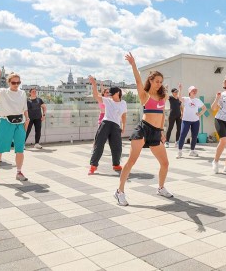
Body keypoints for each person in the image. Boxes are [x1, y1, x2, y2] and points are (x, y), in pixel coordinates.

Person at [114, 52, 172, 206]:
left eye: (161, 82)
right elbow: (138, 81)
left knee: (165, 163)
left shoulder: (163, 97)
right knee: (131, 162)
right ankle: (119, 191)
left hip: (156, 132)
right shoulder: (144, 95)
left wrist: (162, 131)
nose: (159, 84)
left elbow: (162, 116)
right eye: (157, 81)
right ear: (151, 81)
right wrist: (133, 65)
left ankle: (160, 188)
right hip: (143, 129)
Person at [0, 68, 29, 186]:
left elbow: (24, 107)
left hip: (20, 122)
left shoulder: (22, 93)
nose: (16, 85)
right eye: (13, 82)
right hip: (6, 121)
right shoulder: (3, 91)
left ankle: (19, 172)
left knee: (20, 150)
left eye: (18, 82)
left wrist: (27, 119)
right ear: (9, 82)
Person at [88, 76, 127, 175]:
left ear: (118, 93)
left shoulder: (123, 103)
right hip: (105, 123)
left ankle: (116, 164)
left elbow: (124, 115)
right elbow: (96, 96)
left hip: (116, 126)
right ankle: (93, 166)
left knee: (117, 146)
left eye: (111, 94)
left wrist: (123, 127)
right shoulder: (107, 100)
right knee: (99, 144)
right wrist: (94, 84)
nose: (110, 96)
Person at [176, 84, 207, 158]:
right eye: (193, 90)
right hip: (186, 120)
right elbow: (179, 98)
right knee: (183, 135)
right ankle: (179, 151)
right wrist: (180, 89)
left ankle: (192, 151)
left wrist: (200, 114)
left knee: (194, 136)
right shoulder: (186, 99)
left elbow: (204, 108)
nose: (195, 92)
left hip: (195, 121)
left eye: (195, 90)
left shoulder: (198, 100)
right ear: (189, 92)